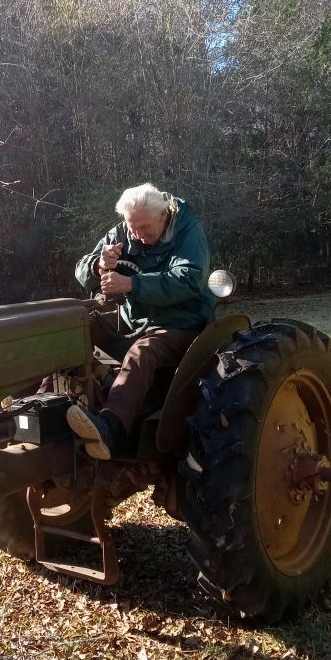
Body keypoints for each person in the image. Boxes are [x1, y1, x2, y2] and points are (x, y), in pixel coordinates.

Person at [66, 182, 215, 460]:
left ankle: (110, 427)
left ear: (163, 215)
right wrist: (98, 265)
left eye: (144, 228)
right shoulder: (124, 230)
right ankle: (48, 403)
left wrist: (131, 285)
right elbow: (81, 269)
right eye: (132, 227)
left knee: (141, 352)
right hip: (133, 318)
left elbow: (189, 279)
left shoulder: (187, 231)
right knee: (78, 329)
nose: (137, 234)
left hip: (180, 322)